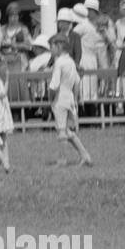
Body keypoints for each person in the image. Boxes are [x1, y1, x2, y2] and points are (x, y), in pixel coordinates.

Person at [49, 33, 92, 166]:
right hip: (70, 98)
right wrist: (77, 98)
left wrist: (50, 97)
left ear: (59, 46)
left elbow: (54, 85)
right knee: (68, 131)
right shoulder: (71, 61)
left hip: (60, 98)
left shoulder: (59, 63)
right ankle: (85, 155)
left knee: (61, 131)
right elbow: (77, 82)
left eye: (52, 46)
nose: (51, 50)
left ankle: (62, 160)